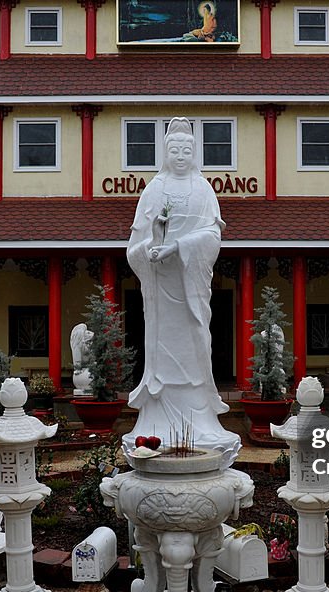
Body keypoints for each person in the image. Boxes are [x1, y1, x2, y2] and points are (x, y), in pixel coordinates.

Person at [124, 117, 240, 456]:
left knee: (197, 343)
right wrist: (151, 248)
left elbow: (213, 236)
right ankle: (156, 424)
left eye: (186, 149)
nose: (180, 154)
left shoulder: (204, 190)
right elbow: (134, 247)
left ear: (195, 153)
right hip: (161, 293)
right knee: (162, 353)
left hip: (191, 290)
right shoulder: (153, 191)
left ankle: (199, 422)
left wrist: (177, 246)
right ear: (163, 152)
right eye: (173, 149)